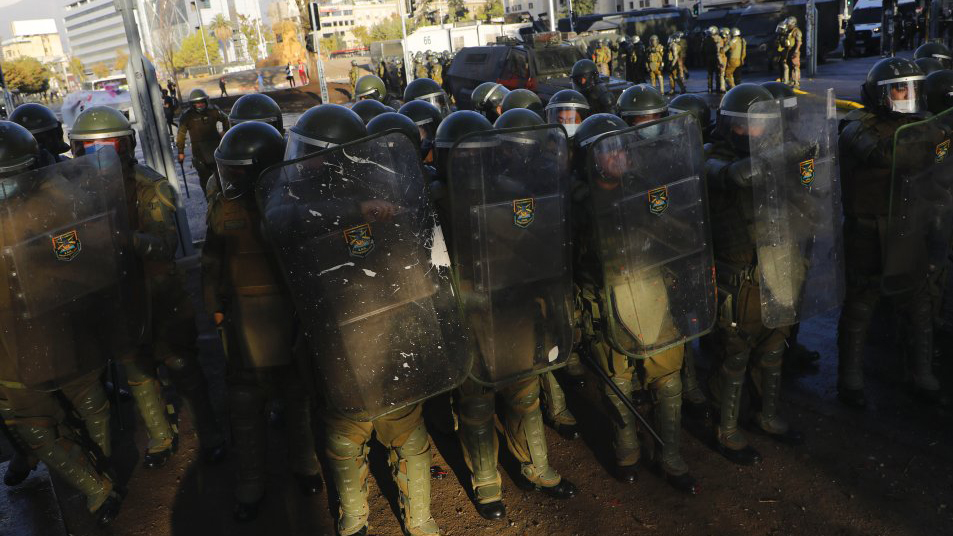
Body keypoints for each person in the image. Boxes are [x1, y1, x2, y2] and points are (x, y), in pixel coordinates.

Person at [261, 103, 461, 536]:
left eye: (312, 154)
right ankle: (354, 519)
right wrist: (355, 209)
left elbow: (419, 241)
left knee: (407, 432)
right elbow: (279, 220)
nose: (302, 162)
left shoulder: (378, 182)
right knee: (344, 436)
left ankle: (420, 518)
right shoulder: (290, 197)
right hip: (334, 335)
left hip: (390, 326)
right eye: (303, 151)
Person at [434, 109, 579, 521]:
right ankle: (487, 486)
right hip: (466, 317)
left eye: (478, 155)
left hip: (511, 310)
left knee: (525, 393)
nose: (470, 165)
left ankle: (537, 468)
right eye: (462, 157)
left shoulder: (510, 193)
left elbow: (535, 247)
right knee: (476, 404)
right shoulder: (434, 203)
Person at [71, 106, 228, 467]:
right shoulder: (77, 193)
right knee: (135, 369)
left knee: (181, 365)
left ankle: (209, 432)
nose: (99, 157)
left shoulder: (149, 187)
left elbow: (164, 246)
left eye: (108, 147)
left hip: (158, 292)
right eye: (89, 148)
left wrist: (121, 238)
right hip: (116, 293)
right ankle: (160, 436)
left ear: (126, 146)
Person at [0, 120, 122, 525]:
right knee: (35, 423)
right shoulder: (60, 197)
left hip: (59, 326)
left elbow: (91, 255)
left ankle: (102, 475)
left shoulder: (57, 200)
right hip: (14, 341)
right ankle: (98, 485)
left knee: (88, 402)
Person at [204, 121, 323, 522]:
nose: (231, 179)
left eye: (239, 172)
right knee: (245, 405)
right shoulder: (225, 209)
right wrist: (216, 309)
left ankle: (306, 465)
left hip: (287, 316)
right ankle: (251, 483)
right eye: (229, 171)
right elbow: (211, 263)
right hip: (244, 319)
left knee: (297, 396)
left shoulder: (293, 203)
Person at [704, 84, 809, 465]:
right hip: (739, 276)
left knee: (773, 348)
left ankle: (766, 415)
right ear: (727, 125)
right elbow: (739, 175)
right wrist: (787, 153)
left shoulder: (779, 153)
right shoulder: (710, 157)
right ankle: (727, 429)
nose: (752, 132)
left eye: (760, 123)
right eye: (744, 124)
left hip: (779, 266)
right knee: (734, 356)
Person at [837, 58, 942, 407]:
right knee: (861, 304)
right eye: (899, 88)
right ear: (880, 93)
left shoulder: (917, 124)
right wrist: (935, 133)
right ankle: (850, 379)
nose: (907, 95)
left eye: (912, 88)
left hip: (908, 225)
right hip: (867, 230)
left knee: (918, 303)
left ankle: (921, 374)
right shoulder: (856, 127)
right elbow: (885, 155)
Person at [175, 88, 230, 194]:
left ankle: (223, 197)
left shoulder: (213, 110)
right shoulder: (187, 116)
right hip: (199, 152)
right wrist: (180, 152)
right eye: (197, 103)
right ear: (192, 104)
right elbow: (181, 134)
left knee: (221, 177)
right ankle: (209, 199)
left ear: (206, 101)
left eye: (202, 102)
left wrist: (225, 133)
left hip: (215, 149)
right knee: (205, 179)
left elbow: (227, 120)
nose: (200, 105)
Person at [704, 26, 724, 93]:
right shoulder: (719, 38)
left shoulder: (706, 39)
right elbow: (721, 49)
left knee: (710, 74)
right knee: (718, 74)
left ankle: (710, 88)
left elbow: (702, 49)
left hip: (709, 58)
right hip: (717, 58)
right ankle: (718, 88)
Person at [784, 17, 803, 88]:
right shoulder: (788, 31)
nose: (787, 26)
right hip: (789, 51)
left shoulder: (797, 31)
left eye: (788, 24)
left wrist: (796, 50)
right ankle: (790, 81)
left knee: (795, 67)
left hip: (794, 51)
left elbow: (799, 42)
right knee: (788, 66)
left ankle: (796, 82)